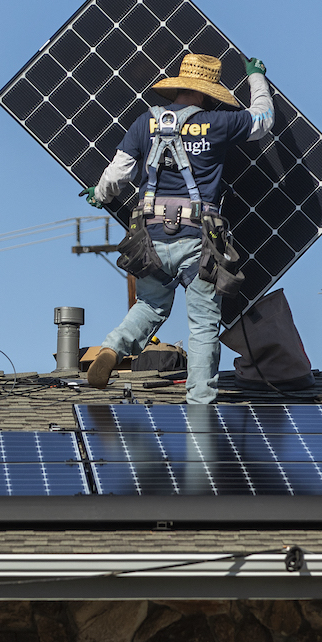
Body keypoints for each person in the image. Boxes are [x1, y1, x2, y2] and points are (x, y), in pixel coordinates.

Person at [79, 52, 274, 404]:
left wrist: (99, 193)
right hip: (197, 240)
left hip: (150, 238)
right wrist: (256, 78)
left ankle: (111, 348)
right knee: (202, 324)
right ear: (207, 91)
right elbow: (262, 120)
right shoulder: (217, 123)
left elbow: (118, 173)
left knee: (150, 305)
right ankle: (200, 400)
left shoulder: (145, 123)